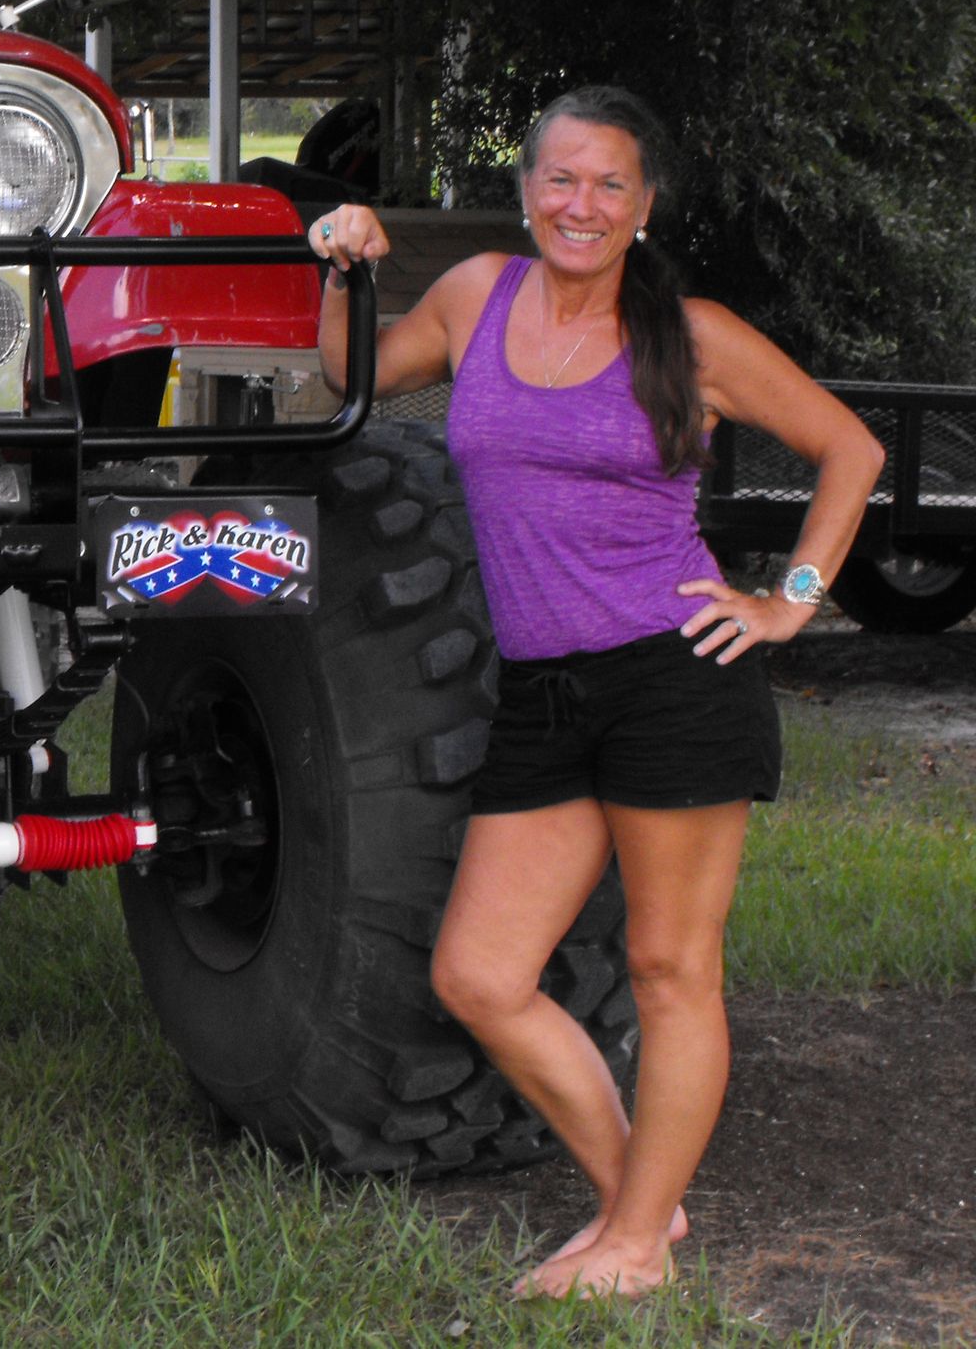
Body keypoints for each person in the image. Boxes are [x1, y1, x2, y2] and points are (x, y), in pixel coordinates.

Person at [308, 87, 884, 1301]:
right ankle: (643, 1212)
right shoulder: (477, 297)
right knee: (479, 975)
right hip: (543, 690)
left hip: (676, 681)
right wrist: (347, 265)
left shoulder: (696, 334)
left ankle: (627, 1246)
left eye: (609, 183)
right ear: (526, 192)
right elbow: (346, 374)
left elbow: (852, 449)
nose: (582, 204)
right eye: (560, 180)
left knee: (672, 969)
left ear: (644, 205)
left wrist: (791, 596)